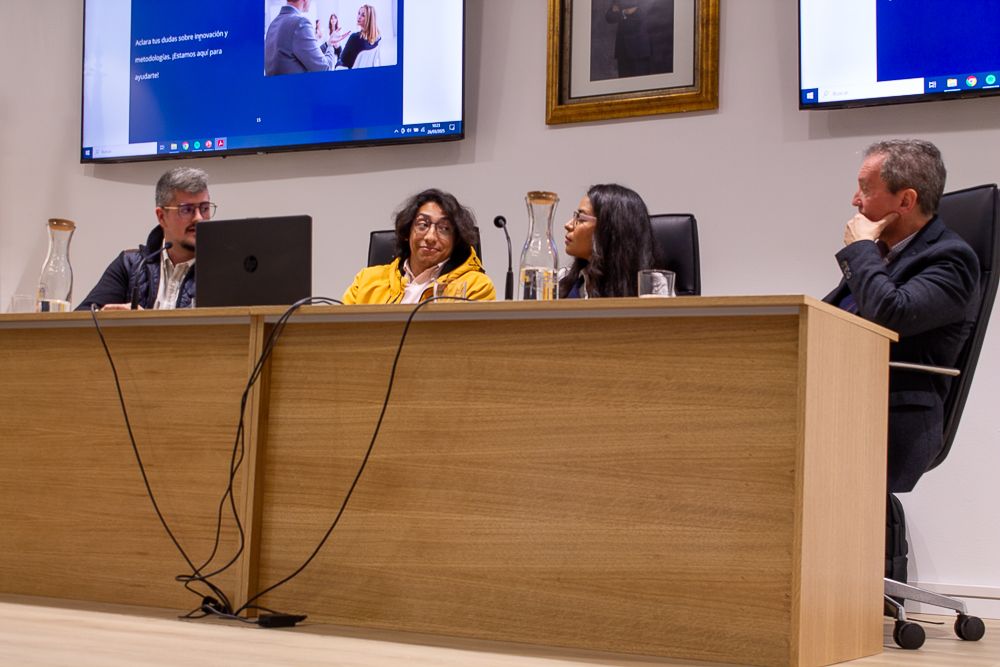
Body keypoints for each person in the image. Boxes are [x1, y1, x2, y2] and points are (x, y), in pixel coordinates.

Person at [823, 139, 980, 493]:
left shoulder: (951, 259)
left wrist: (861, 249)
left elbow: (890, 316)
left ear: (906, 201)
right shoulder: (883, 256)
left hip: (892, 417)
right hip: (841, 400)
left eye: (865, 189)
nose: (855, 200)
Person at [76, 167, 215, 311]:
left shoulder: (221, 269)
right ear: (162, 217)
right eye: (187, 210)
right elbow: (79, 321)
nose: (199, 218)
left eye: (204, 208)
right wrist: (109, 317)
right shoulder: (131, 265)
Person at [343, 189, 496, 304]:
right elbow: (341, 335)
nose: (430, 237)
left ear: (456, 239)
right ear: (407, 231)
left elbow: (469, 343)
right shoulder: (366, 281)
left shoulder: (475, 286)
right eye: (423, 225)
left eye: (444, 228)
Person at [559, 183, 655, 298]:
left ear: (609, 229)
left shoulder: (653, 286)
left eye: (580, 218)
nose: (568, 225)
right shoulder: (562, 280)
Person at [264, 0, 335, 76]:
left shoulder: (273, 23)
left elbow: (307, 54)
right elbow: (325, 68)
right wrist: (331, 46)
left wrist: (327, 44)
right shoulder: (300, 23)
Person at [605, 1, 652, 78]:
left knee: (641, 83)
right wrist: (624, 12)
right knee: (624, 83)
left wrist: (620, 12)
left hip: (639, 49)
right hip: (622, 50)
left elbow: (642, 14)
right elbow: (609, 17)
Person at [336, 4, 381, 69]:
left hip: (351, 72)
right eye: (359, 13)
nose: (359, 17)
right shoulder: (377, 38)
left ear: (370, 19)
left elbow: (343, 59)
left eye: (363, 15)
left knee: (338, 62)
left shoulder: (355, 37)